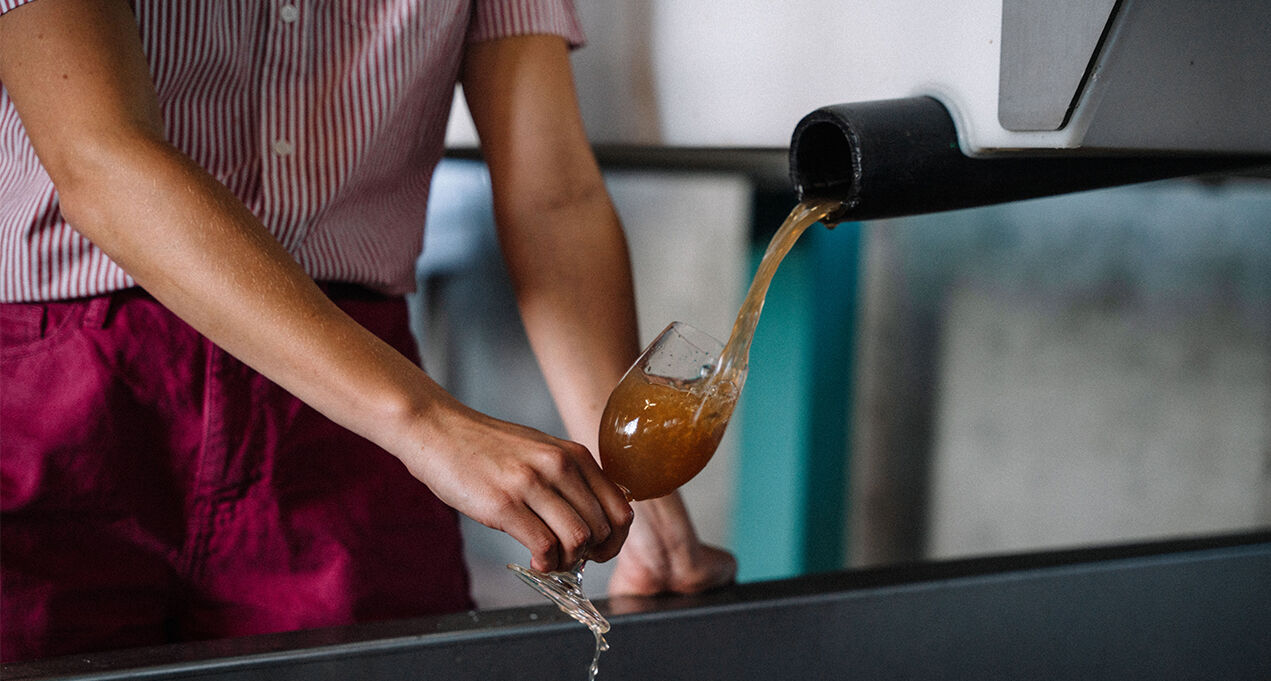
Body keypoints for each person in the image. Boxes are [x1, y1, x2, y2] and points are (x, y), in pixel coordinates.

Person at [0, 0, 735, 663]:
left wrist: (628, 485)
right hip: (65, 393)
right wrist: (431, 424)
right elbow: (99, 157)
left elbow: (552, 197)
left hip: (349, 415)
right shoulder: (420, 418)